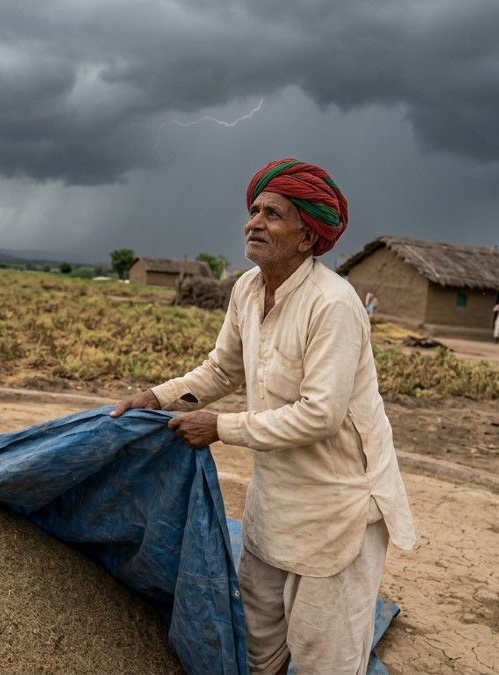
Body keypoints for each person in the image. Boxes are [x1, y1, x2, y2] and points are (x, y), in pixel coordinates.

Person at [112, 158, 415, 675]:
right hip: (276, 502)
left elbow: (320, 416)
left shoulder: (332, 305)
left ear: (306, 237)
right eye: (254, 210)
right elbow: (221, 370)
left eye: (273, 214)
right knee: (257, 647)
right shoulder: (248, 290)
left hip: (339, 507)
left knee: (325, 656)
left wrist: (221, 428)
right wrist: (157, 397)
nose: (255, 222)